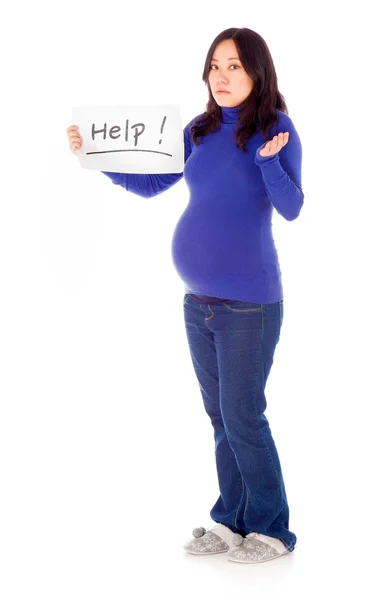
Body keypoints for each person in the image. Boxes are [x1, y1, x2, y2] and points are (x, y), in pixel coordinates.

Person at [66, 27, 304, 565]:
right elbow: (153, 184)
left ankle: (273, 530)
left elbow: (291, 207)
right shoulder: (197, 130)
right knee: (220, 416)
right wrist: (95, 157)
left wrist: (269, 160)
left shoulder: (276, 129)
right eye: (215, 66)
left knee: (244, 415)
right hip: (197, 302)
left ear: (258, 72)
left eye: (235, 66)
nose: (222, 76)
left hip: (250, 306)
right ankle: (231, 519)